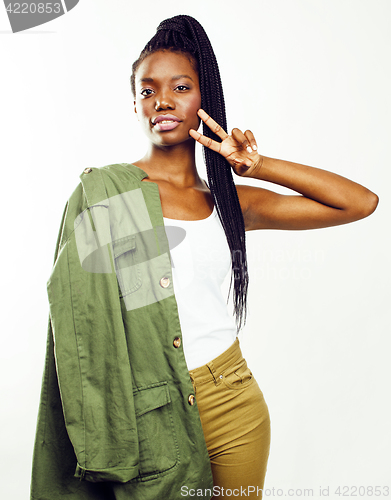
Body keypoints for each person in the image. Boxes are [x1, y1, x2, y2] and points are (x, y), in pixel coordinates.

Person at [30, 14, 378, 500]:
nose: (163, 100)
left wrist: (255, 164)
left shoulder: (228, 202)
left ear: (202, 101)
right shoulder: (112, 196)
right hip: (152, 407)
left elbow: (358, 203)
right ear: (134, 104)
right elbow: (85, 323)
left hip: (231, 398)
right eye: (148, 90)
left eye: (181, 87)